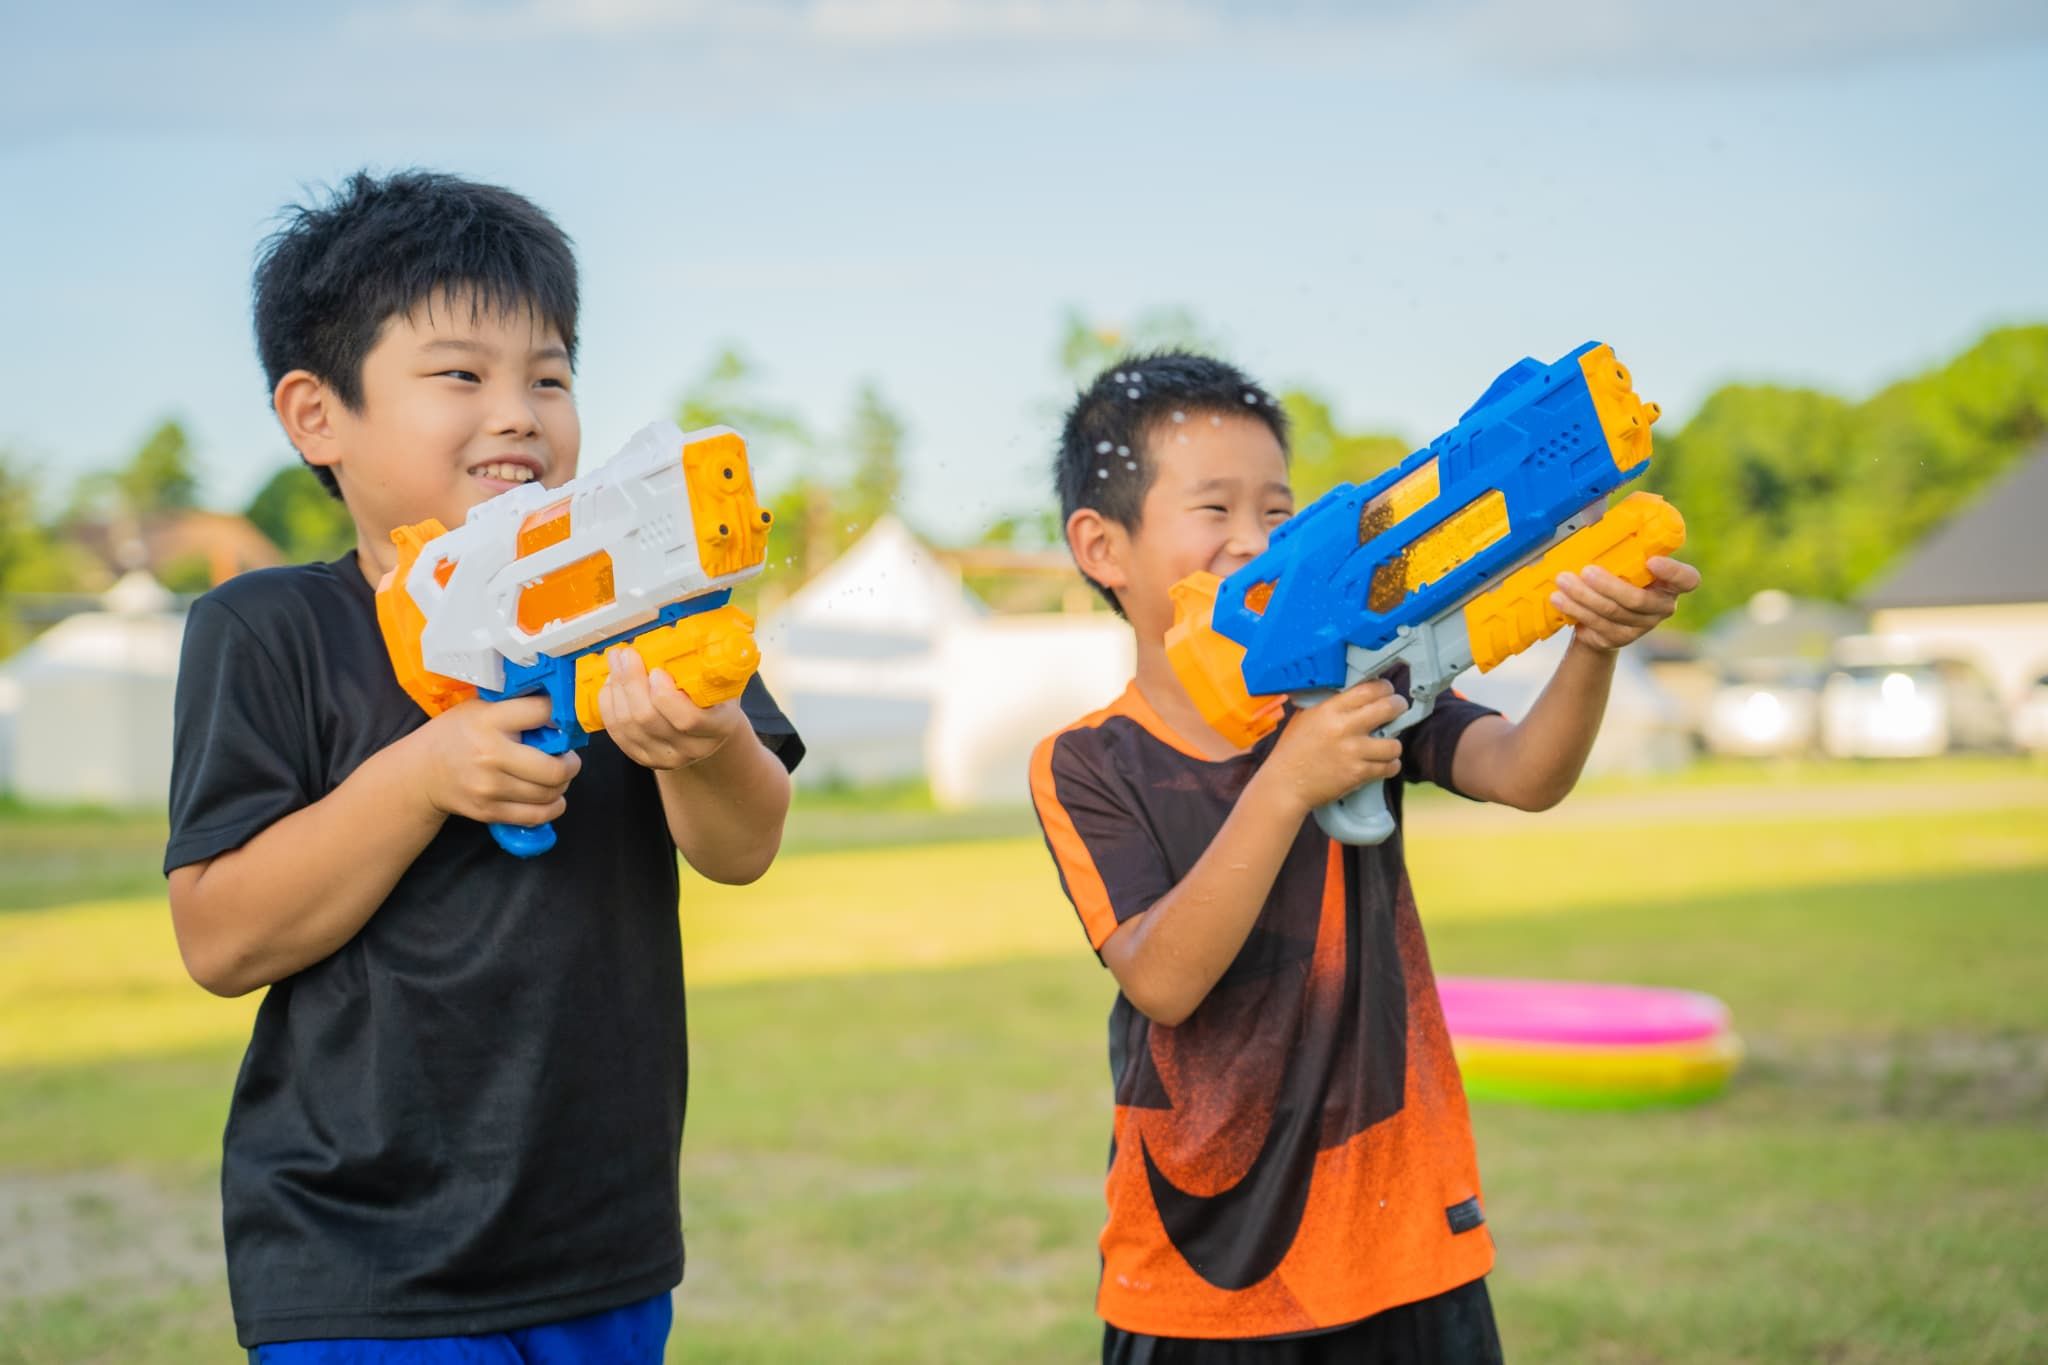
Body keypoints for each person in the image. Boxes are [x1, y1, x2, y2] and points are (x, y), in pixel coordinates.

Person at [164, 169, 803, 1361]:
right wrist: (418, 778)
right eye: (461, 373)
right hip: (356, 1256)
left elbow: (743, 847)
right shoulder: (264, 630)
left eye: (548, 377)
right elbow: (220, 938)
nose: (519, 412)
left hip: (598, 1243)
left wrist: (705, 743)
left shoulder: (635, 593)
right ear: (317, 416)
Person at [1029, 351, 1700, 1363]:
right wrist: (1287, 782)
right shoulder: (1087, 761)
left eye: (1276, 508)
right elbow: (1163, 979)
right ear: (1102, 546)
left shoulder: (1356, 681)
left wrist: (1592, 643)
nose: (1252, 541)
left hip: (1404, 1244)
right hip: (1201, 1276)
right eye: (1212, 510)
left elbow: (1522, 772)